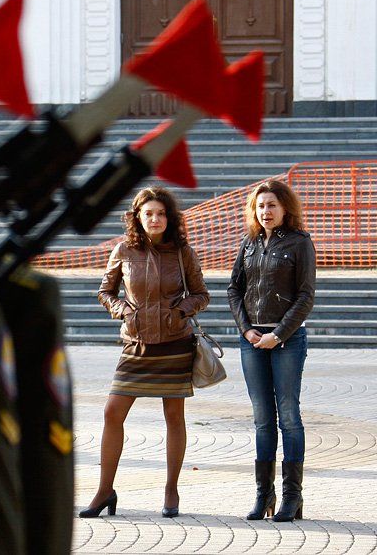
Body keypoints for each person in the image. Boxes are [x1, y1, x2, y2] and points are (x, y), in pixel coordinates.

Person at [81, 186, 209, 519]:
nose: (155, 219)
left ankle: (171, 490)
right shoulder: (123, 250)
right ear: (138, 216)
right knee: (112, 412)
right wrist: (122, 309)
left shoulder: (183, 252)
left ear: (170, 217)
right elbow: (105, 291)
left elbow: (201, 294)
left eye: (161, 213)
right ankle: (104, 490)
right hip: (136, 344)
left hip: (175, 342)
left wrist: (181, 311)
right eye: (148, 213)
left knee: (174, 417)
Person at [227, 180, 315, 523]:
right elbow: (234, 289)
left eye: (272, 205)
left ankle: (292, 497)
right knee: (263, 420)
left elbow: (306, 296)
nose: (266, 211)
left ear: (285, 208)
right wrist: (247, 329)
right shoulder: (249, 243)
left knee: (289, 415)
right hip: (252, 341)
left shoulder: (300, 242)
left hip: (287, 339)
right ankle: (264, 494)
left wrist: (278, 335)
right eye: (260, 206)